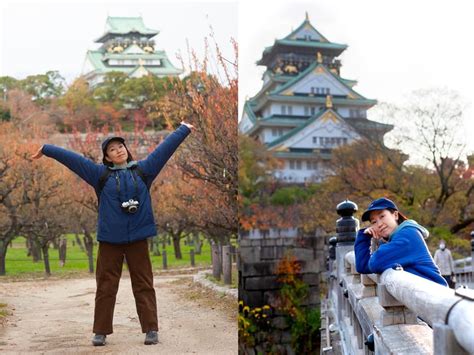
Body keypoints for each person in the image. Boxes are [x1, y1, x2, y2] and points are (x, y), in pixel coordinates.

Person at [32, 122, 193, 346]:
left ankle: (151, 329)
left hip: (138, 238)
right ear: (107, 157)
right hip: (110, 240)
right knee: (106, 286)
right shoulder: (100, 175)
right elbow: (74, 160)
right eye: (112, 149)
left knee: (144, 284)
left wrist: (183, 129)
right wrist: (48, 149)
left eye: (120, 146)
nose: (118, 150)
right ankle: (100, 331)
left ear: (126, 150)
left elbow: (164, 150)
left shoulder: (143, 171)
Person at [354, 197, 447, 286]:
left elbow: (375, 263)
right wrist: (364, 236)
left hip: (435, 296)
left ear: (395, 215)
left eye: (382, 216)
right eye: (374, 222)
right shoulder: (393, 240)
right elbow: (362, 266)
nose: (379, 224)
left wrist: (380, 243)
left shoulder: (408, 235)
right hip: (421, 296)